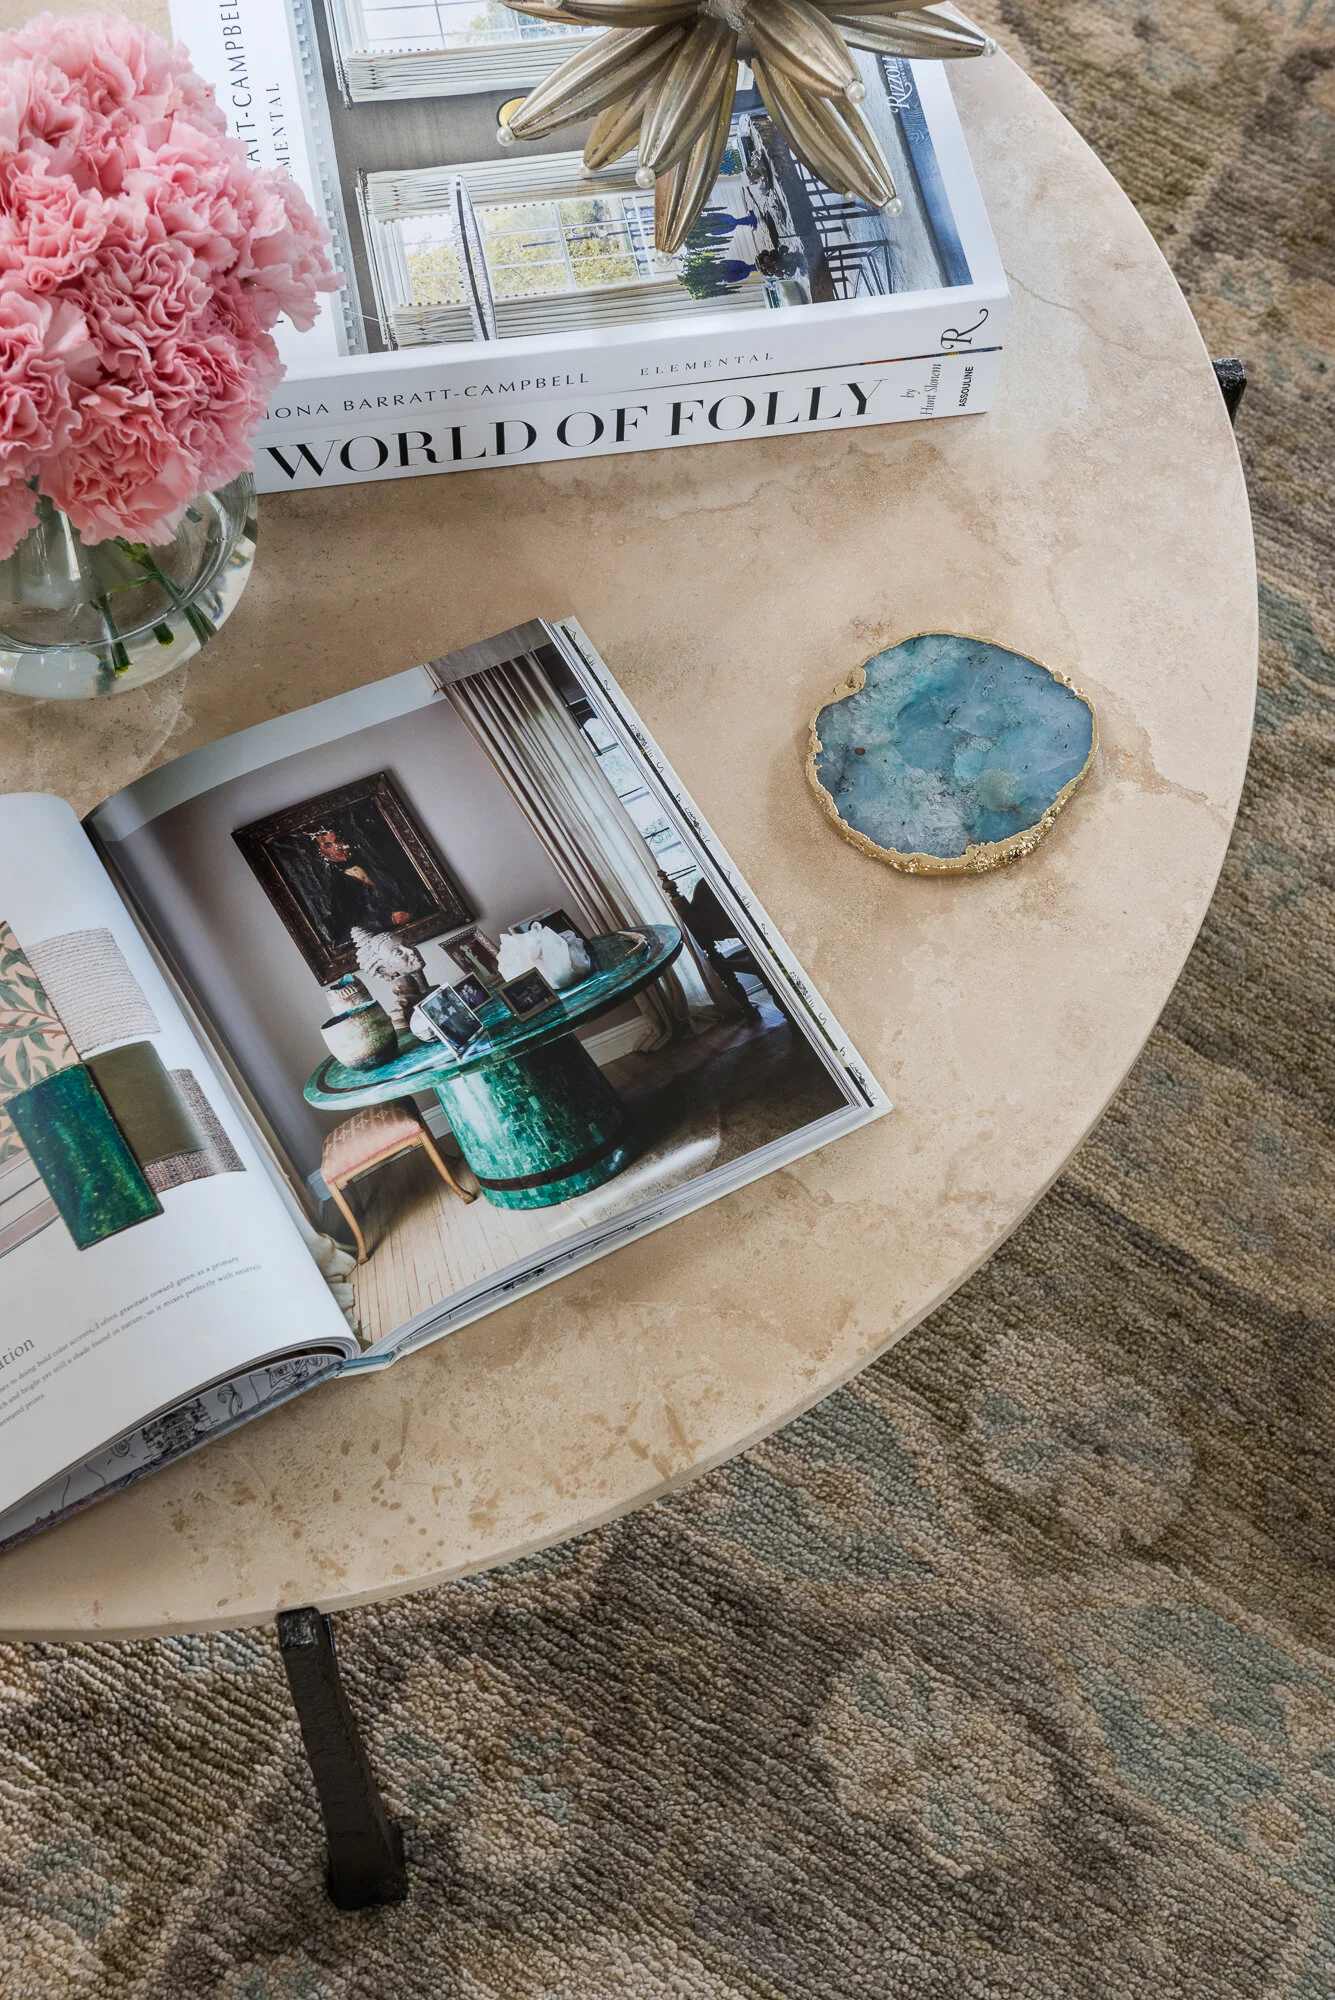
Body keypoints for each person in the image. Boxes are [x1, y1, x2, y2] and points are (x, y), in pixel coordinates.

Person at [311, 825, 416, 939]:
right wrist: (388, 919)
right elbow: (345, 921)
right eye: (328, 845)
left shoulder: (373, 864)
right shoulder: (332, 883)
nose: (337, 847)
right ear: (321, 852)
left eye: (338, 841)